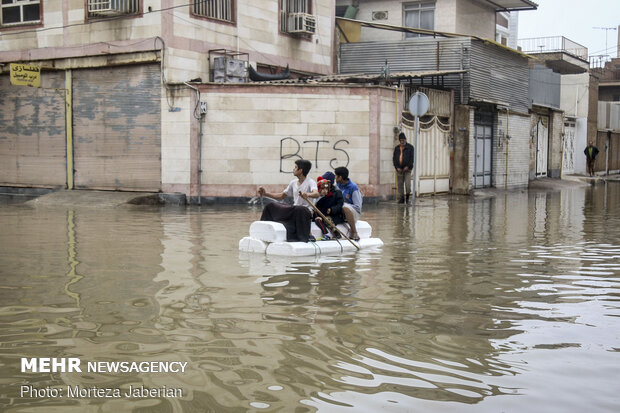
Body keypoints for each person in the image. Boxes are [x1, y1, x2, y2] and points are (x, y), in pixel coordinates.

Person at [257, 159, 318, 242]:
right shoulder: (293, 183)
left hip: (304, 211)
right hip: (294, 210)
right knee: (271, 206)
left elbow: (316, 194)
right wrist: (266, 194)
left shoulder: (311, 182)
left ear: (300, 171)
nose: (293, 169)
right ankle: (264, 230)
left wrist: (308, 194)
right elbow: (281, 196)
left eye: (295, 167)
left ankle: (307, 234)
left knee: (299, 209)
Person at [313, 173, 345, 240]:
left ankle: (336, 233)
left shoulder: (337, 192)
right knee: (318, 219)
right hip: (322, 214)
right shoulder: (319, 194)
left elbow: (339, 205)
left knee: (327, 219)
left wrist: (332, 209)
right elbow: (317, 207)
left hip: (334, 215)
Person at [334, 166, 362, 241]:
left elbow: (358, 207)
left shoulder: (353, 187)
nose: (335, 178)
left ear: (340, 177)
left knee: (345, 207)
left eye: (336, 176)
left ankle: (354, 232)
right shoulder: (338, 185)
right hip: (342, 210)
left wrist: (343, 205)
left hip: (353, 212)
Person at [393, 132, 414, 204]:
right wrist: (397, 167)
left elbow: (412, 159)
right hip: (399, 170)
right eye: (401, 140)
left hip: (407, 170)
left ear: (405, 140)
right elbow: (394, 159)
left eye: (403, 140)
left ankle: (407, 198)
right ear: (399, 141)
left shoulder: (410, 147)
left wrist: (407, 166)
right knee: (400, 185)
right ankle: (401, 199)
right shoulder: (397, 149)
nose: (402, 141)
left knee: (408, 185)